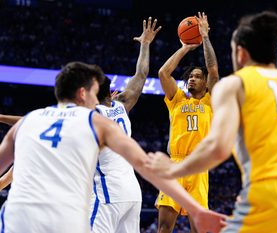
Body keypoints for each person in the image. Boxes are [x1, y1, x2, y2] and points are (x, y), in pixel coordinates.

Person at [147, 11, 277, 233]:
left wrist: (172, 171)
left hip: (275, 188)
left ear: (240, 54)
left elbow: (218, 148)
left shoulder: (236, 84)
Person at [0, 61, 227, 233]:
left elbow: (9, 172)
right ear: (83, 93)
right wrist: (195, 209)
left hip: (19, 215)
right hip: (105, 200)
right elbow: (145, 165)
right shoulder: (96, 118)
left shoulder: (32, 121)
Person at [90, 17, 161, 233]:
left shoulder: (91, 114)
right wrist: (146, 44)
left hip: (108, 192)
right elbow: (141, 74)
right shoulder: (121, 105)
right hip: (132, 191)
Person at [156, 12, 219, 233]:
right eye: (190, 76)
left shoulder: (211, 101)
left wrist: (204, 37)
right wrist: (185, 47)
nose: (192, 78)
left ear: (205, 84)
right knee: (164, 228)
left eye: (197, 76)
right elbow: (163, 72)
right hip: (175, 164)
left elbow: (212, 69)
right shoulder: (177, 100)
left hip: (199, 167)